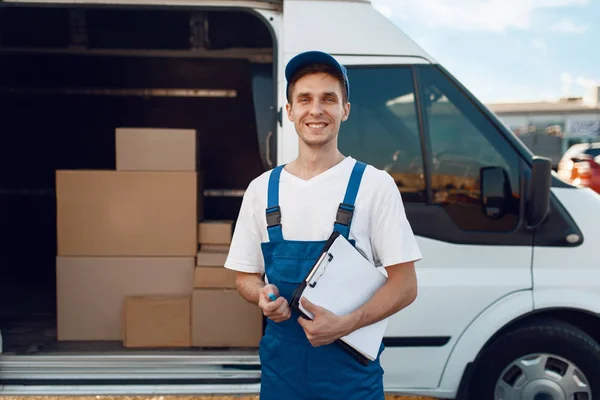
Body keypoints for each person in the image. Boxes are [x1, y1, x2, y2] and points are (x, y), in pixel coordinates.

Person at [224, 50, 422, 400]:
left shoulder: (374, 185)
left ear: (345, 110)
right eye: (305, 99)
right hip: (281, 378)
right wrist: (263, 295)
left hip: (351, 381)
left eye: (329, 99)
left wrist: (347, 324)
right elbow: (245, 277)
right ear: (290, 111)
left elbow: (405, 286)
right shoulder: (261, 190)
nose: (316, 110)